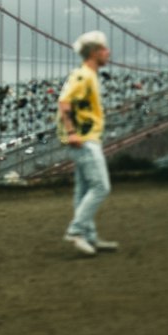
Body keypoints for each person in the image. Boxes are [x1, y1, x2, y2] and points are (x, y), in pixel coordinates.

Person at [58, 31, 118, 256]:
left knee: (83, 191)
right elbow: (64, 103)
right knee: (101, 187)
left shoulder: (90, 75)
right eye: (104, 48)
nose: (108, 52)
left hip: (86, 138)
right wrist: (72, 133)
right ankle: (75, 231)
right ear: (94, 52)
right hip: (84, 139)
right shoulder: (83, 75)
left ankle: (89, 238)